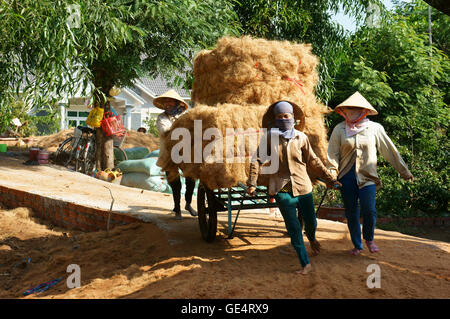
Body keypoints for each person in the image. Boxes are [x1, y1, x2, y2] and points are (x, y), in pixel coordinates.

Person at [247, 100, 340, 275]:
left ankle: (312, 238)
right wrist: (251, 183)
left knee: (311, 222)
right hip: (282, 185)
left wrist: (330, 178)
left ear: (293, 118)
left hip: (302, 184)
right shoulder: (270, 137)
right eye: (279, 117)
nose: (283, 119)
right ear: (275, 119)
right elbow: (257, 159)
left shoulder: (301, 137)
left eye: (286, 116)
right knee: (294, 226)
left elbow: (313, 160)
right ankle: (305, 264)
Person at [327, 91, 414, 255]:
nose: (352, 111)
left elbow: (390, 151)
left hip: (368, 176)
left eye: (356, 109)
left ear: (364, 111)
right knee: (351, 212)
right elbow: (332, 154)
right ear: (344, 110)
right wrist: (332, 175)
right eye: (349, 108)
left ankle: (369, 238)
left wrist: (404, 171)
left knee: (369, 209)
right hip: (347, 177)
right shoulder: (339, 129)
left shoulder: (375, 128)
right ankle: (357, 245)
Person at [154, 89, 198, 220]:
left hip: (185, 152)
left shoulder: (186, 115)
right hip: (169, 154)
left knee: (191, 178)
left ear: (176, 103)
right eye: (165, 102)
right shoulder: (161, 118)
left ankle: (188, 204)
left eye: (170, 101)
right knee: (175, 182)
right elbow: (165, 132)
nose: (167, 104)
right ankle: (177, 208)